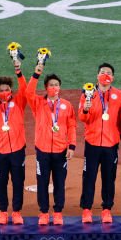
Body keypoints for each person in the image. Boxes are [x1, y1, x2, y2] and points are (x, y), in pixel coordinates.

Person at [18, 61, 75, 226]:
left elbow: (71, 126)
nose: (54, 87)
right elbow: (28, 92)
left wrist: (71, 146)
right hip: (42, 151)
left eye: (57, 85)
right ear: (46, 87)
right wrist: (36, 74)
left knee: (59, 183)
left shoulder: (66, 105)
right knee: (42, 182)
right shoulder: (38, 103)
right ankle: (43, 213)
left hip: (61, 151)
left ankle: (57, 213)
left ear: (60, 87)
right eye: (51, 85)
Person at [79, 63, 121, 224]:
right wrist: (85, 109)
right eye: (102, 72)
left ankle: (106, 209)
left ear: (113, 77)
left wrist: (119, 134)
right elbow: (82, 118)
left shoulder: (119, 95)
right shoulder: (88, 93)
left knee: (109, 178)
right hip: (92, 143)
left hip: (111, 144)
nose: (105, 75)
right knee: (89, 177)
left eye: (109, 73)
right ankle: (87, 210)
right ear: (97, 75)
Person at [0, 73, 26, 225]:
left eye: (7, 89)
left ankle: (16, 212)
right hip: (0, 153)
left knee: (18, 182)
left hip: (18, 151)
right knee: (1, 183)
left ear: (11, 90)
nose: (4, 92)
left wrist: (18, 72)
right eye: (1, 90)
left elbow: (25, 88)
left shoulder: (19, 102)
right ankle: (3, 212)